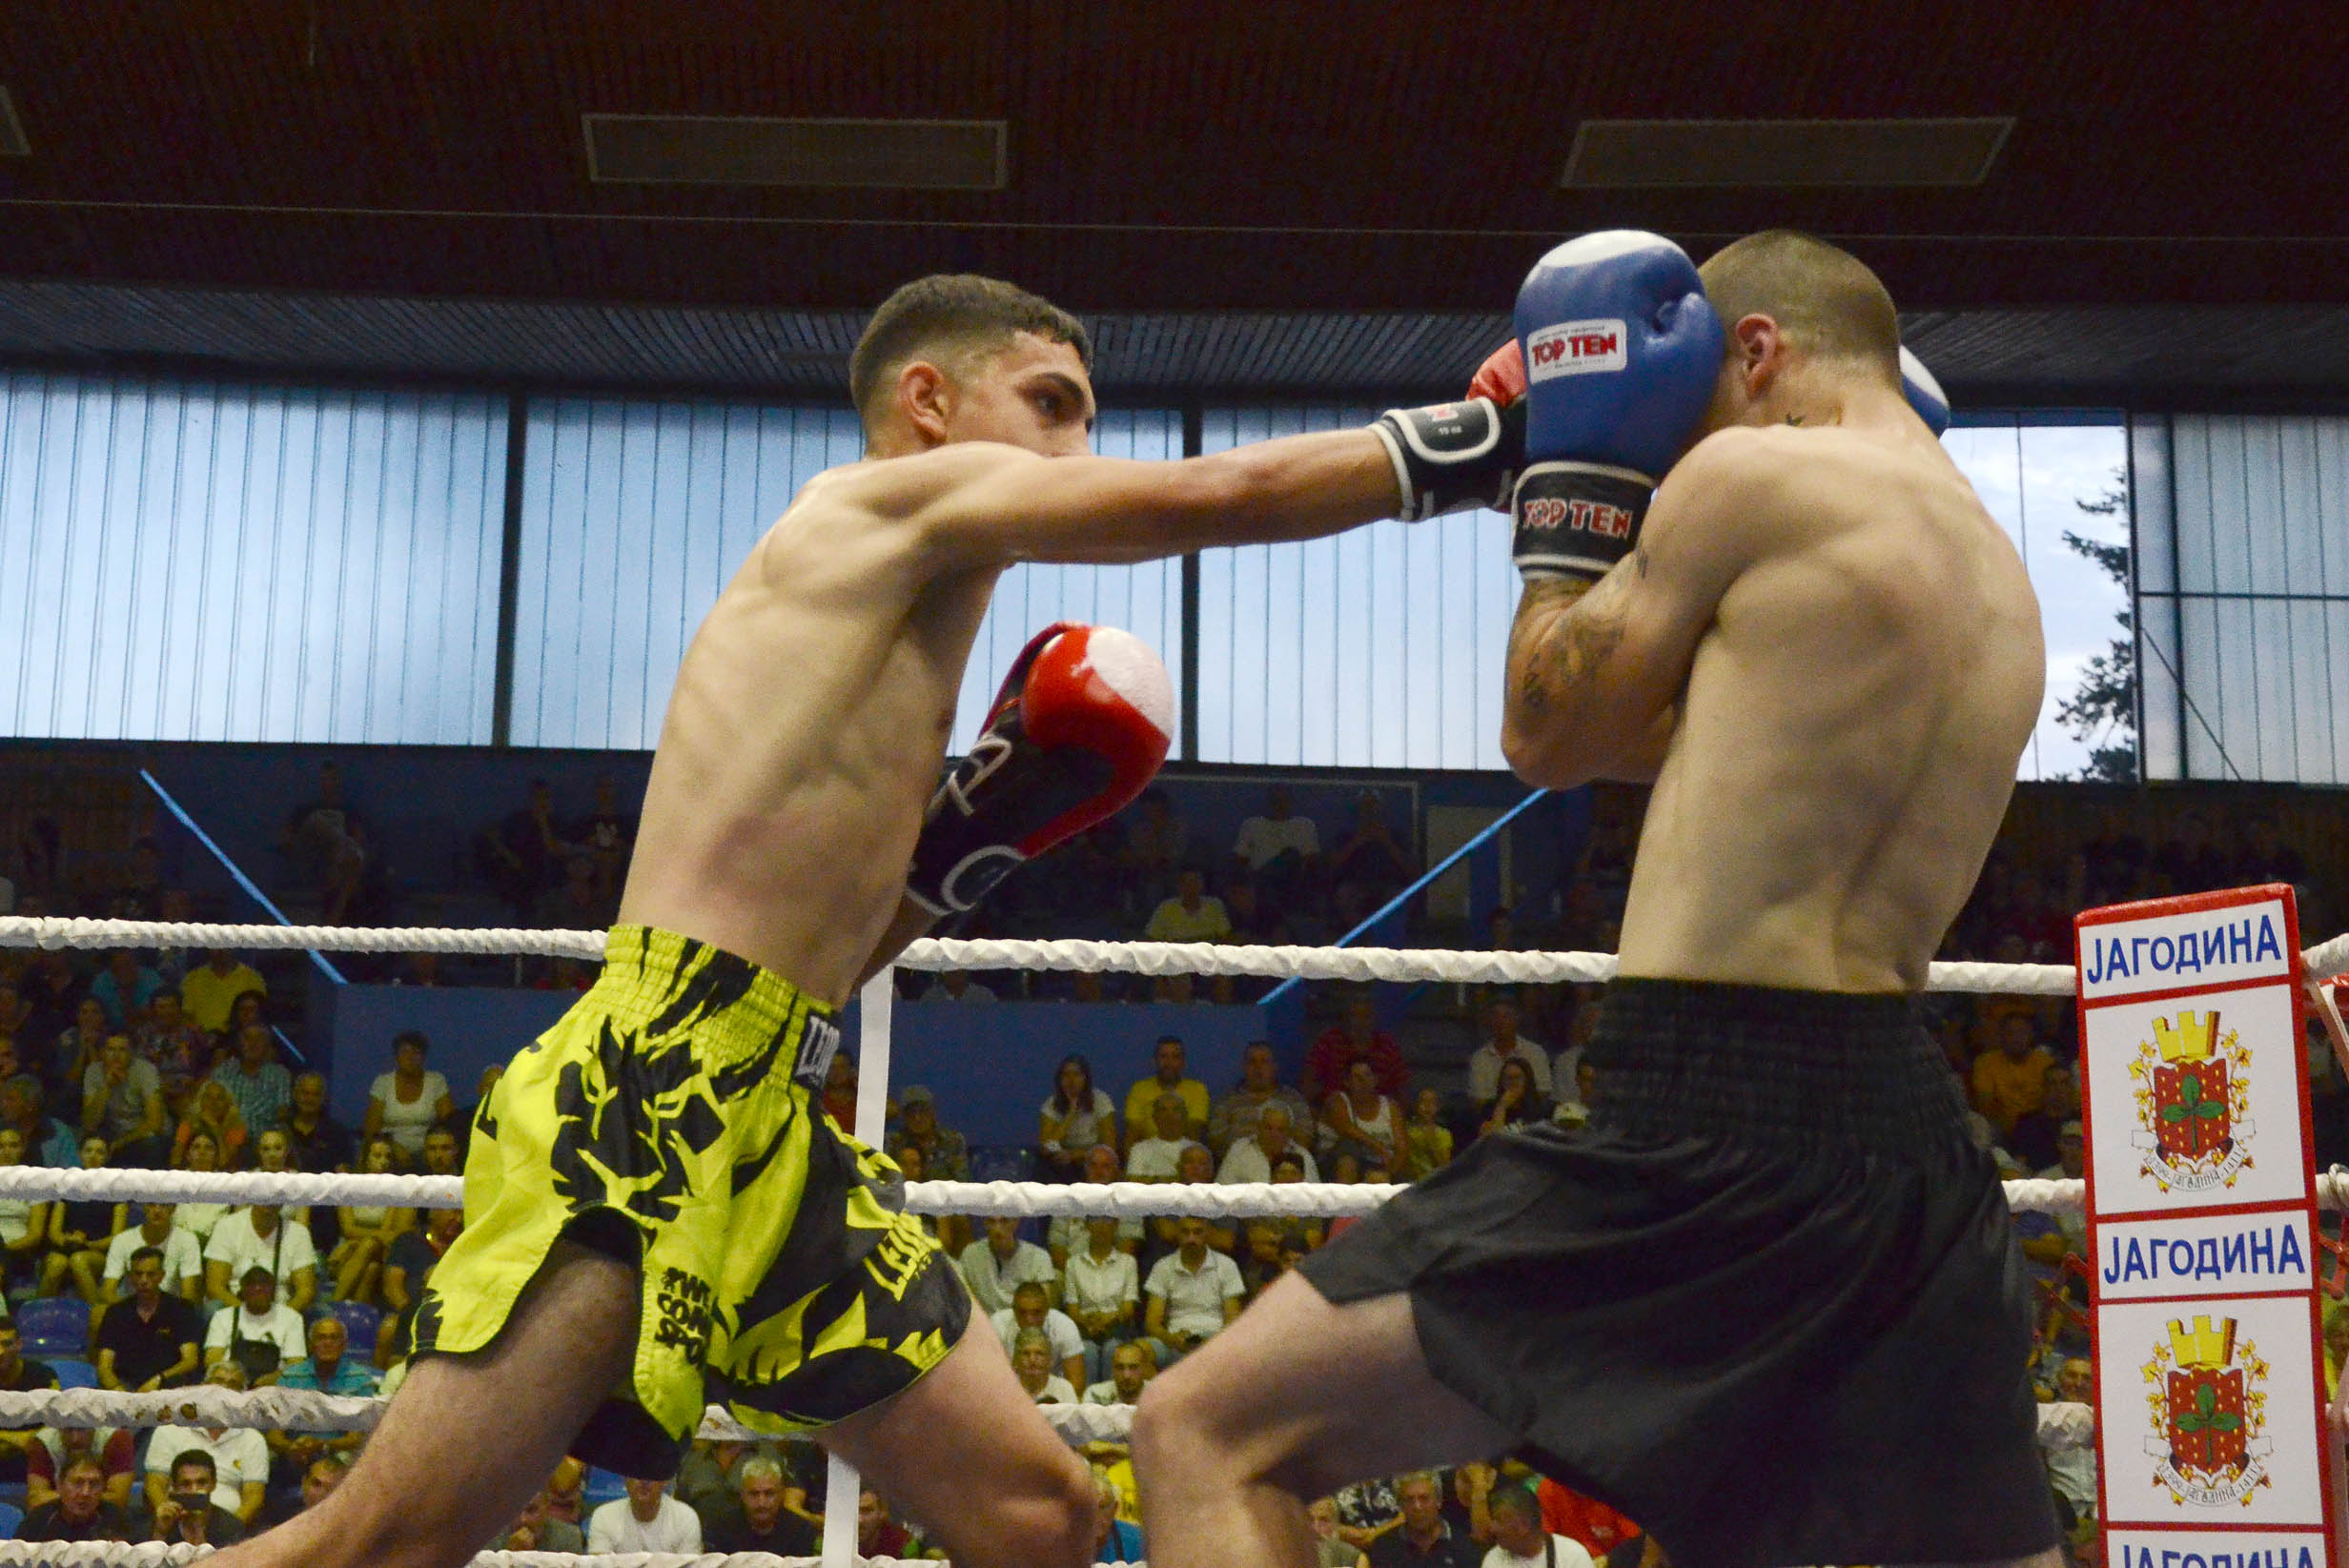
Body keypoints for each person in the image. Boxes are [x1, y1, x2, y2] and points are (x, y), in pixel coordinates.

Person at [213, 272, 1475, 1568]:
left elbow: (824, 959)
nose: (1078, 452)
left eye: (1089, 422)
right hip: (650, 1093)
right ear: (926, 402)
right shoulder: (867, 505)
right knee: (384, 1545)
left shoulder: (899, 618)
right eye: (1050, 406)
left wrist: (965, 847)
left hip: (775, 1115)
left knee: (1045, 1517)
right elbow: (1219, 494)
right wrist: (1480, 444)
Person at [1134, 231, 2061, 1568]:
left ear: (1755, 351)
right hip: (1916, 1160)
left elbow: (1549, 729)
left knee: (1202, 1431)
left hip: (1706, 1123)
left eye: (1691, 407)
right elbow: (1689, 736)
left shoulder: (1755, 472)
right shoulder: (1997, 572)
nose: (1682, 446)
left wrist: (1572, 496)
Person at [144, 1359, 270, 1522]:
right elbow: (154, 1484)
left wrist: (230, 1530)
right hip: (176, 1522)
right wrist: (167, 1520)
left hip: (229, 1525)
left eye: (233, 1384)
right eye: (218, 1381)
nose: (224, 1389)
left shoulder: (253, 1439)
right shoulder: (170, 1430)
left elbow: (254, 1496)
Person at [94, 1245, 203, 1392]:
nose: (144, 1280)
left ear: (162, 1276)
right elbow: (104, 1366)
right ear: (130, 1276)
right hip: (126, 1386)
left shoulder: (181, 1309)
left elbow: (190, 1361)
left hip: (168, 1386)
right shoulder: (116, 1312)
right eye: (138, 1274)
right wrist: (118, 1389)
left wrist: (159, 1379)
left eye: (151, 1274)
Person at [1141, 1217, 1243, 1359]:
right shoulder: (1162, 1266)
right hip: (1174, 1337)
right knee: (1142, 1349)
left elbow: (1233, 1318)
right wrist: (1171, 1339)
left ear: (1207, 1233)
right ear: (1177, 1234)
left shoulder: (1227, 1265)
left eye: (1197, 1232)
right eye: (1185, 1232)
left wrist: (1214, 1342)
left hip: (1215, 1336)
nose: (1191, 1238)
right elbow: (1152, 1323)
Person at [330, 1134, 414, 1305]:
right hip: (349, 1252)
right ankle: (354, 1313)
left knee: (371, 1246)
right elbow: (347, 1229)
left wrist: (357, 1242)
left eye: (388, 1157)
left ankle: (335, 1304)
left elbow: (387, 1235)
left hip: (378, 1251)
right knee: (371, 1268)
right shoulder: (348, 1186)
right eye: (377, 1156)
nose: (383, 1162)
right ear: (366, 1159)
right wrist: (356, 1243)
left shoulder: (397, 1190)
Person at [42, 1130, 124, 1298]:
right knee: (57, 1263)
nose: (93, 1156)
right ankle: (35, 1312)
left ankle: (98, 1312)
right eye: (88, 1151)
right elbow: (54, 1232)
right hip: (65, 1247)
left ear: (108, 1156)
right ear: (80, 1154)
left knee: (79, 1260)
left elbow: (117, 1237)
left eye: (100, 1152)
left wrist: (86, 1245)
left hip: (98, 1252)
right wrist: (70, 1242)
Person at [1206, 1041, 1314, 1156]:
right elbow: (1215, 1141)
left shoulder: (1292, 1099)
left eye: (1264, 1062)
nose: (1258, 1068)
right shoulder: (1227, 1101)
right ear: (1244, 1067)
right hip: (1239, 1161)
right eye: (1252, 1062)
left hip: (1284, 1162)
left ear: (1274, 1066)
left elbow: (1305, 1137)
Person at [204, 1204, 317, 1312]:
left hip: (281, 1310)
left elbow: (306, 1291)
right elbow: (215, 1287)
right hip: (235, 1307)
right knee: (213, 1307)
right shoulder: (227, 1226)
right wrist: (247, 1315)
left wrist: (282, 1318)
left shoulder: (299, 1233)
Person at [362, 1031, 453, 1165]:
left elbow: (449, 1123)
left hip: (428, 1152)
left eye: (416, 1052)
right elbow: (372, 1128)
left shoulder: (436, 1081)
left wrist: (430, 1149)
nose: (410, 1057)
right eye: (404, 1052)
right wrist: (393, 1147)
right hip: (390, 1153)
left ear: (423, 1057)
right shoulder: (383, 1082)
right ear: (396, 1057)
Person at [204, 1266, 307, 1383]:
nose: (258, 1288)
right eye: (251, 1284)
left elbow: (295, 1364)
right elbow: (212, 1359)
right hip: (231, 1382)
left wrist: (270, 1380)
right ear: (242, 1289)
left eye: (263, 1284)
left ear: (273, 1289)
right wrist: (235, 1379)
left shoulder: (292, 1318)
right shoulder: (222, 1316)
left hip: (274, 1384)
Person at [702, 1453, 814, 1556]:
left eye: (769, 1494)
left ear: (782, 1494)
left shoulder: (800, 1530)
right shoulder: (719, 1530)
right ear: (742, 1495)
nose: (761, 1502)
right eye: (754, 1494)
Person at [83, 1033, 168, 1166]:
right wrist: (105, 1087)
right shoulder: (93, 1071)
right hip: (111, 1130)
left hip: (141, 1132)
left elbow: (155, 1122)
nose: (116, 1055)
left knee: (152, 1143)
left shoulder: (146, 1070)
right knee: (91, 1144)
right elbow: (89, 1123)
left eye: (122, 1050)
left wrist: (119, 1143)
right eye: (111, 1049)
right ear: (102, 1052)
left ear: (131, 1053)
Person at [1368, 1472, 1481, 1568]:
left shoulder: (1464, 1547)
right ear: (1401, 1505)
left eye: (1424, 1498)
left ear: (1438, 1501)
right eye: (1409, 1500)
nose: (1417, 1506)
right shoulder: (1384, 1548)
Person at [141, 1449, 250, 1547]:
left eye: (201, 1482)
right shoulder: (156, 1524)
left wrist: (198, 1533)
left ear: (213, 1484)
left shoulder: (231, 1528)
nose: (194, 1490)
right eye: (185, 1484)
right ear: (174, 1486)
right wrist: (160, 1534)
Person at [993, 1279, 1088, 1390]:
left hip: (1054, 1393)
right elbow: (989, 1376)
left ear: (1047, 1310)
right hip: (1009, 1390)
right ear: (1013, 1310)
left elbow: (1076, 1382)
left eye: (1036, 1312)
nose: (1029, 1319)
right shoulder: (997, 1325)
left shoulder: (1065, 1326)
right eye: (1022, 1312)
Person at [20, 1451, 133, 1541]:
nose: (85, 1492)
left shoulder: (116, 1520)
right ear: (59, 1485)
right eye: (78, 1483)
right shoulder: (39, 1520)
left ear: (103, 1487)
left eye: (94, 1484)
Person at [1039, 1053, 1119, 1179]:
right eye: (1066, 1075)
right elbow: (1046, 1148)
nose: (1071, 1080)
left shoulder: (1101, 1100)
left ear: (1086, 1078)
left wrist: (1075, 1155)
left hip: (1092, 1156)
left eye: (1076, 1075)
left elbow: (1110, 1146)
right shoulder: (1051, 1105)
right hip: (1063, 1160)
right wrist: (1070, 1115)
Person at [1478, 1483, 1595, 1568]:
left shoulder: (1573, 1555)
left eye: (1499, 1521)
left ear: (1523, 1526)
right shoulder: (1494, 1560)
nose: (1492, 1528)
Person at [0, 1318, 60, 1481]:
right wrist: (19, 1439)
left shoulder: (43, 1376)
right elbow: (25, 1441)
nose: (0, 1352)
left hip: (34, 1458)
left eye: (7, 1344)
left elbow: (56, 1426)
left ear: (19, 1345)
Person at [1121, 1035, 1210, 1146]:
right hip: (1147, 1151)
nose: (1169, 1062)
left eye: (1175, 1057)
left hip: (1185, 1151)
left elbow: (1194, 1134)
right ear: (1154, 1061)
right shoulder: (1139, 1089)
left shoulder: (1197, 1090)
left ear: (1183, 1062)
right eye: (1163, 1056)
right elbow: (1131, 1134)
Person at [210, 1024, 293, 1137]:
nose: (252, 1043)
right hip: (226, 1141)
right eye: (247, 1038)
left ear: (267, 1044)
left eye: (259, 1038)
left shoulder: (280, 1075)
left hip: (264, 1142)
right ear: (239, 1043)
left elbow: (283, 1114)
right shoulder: (222, 1072)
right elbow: (209, 1109)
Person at [586, 1475, 702, 1555]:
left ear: (665, 1481)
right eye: (637, 1472)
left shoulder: (686, 1518)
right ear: (625, 1477)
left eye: (652, 1473)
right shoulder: (604, 1516)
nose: (644, 1481)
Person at [1217, 1101, 1319, 1185]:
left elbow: (1314, 1197)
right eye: (1268, 1128)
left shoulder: (1303, 1156)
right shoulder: (1239, 1149)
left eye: (1281, 1130)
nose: (1274, 1134)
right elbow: (1223, 1190)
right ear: (1258, 1127)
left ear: (1289, 1132)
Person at [179, 950, 265, 1039]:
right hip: (202, 1041)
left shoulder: (252, 979)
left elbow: (260, 1017)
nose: (221, 950)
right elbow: (186, 1015)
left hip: (240, 1040)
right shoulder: (192, 979)